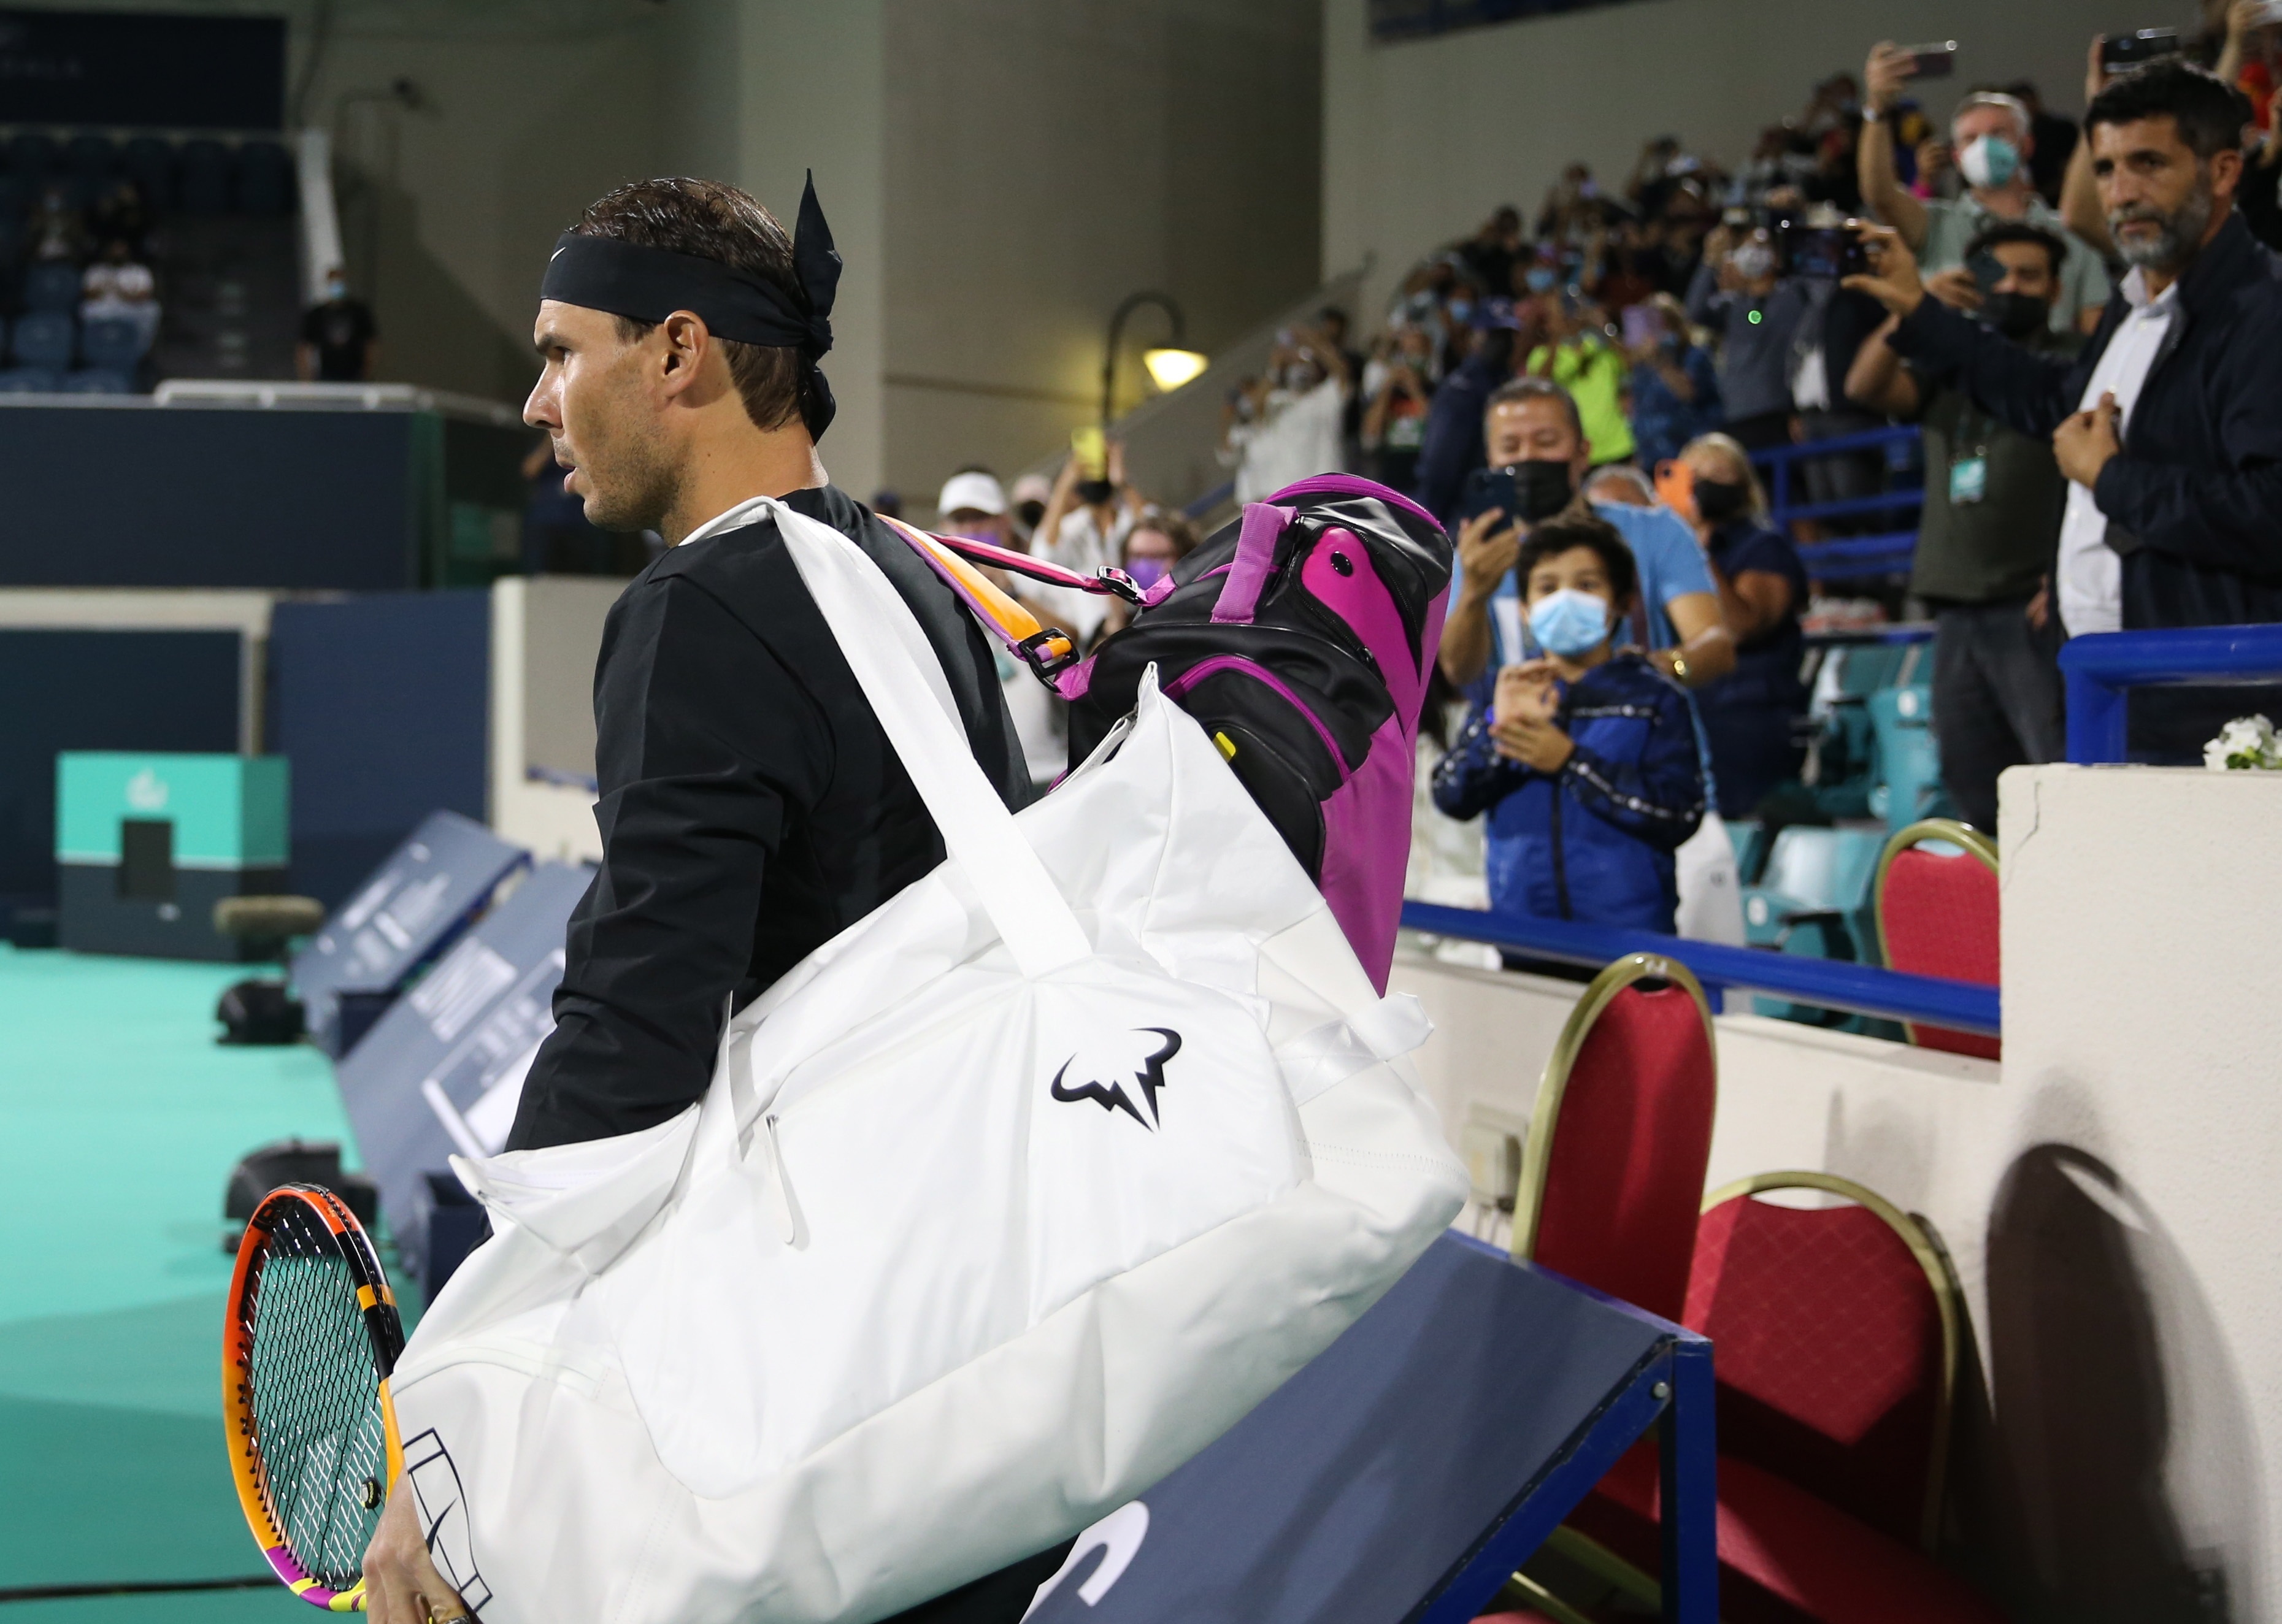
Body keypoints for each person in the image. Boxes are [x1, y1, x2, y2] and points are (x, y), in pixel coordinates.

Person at [358, 174, 1052, 1624]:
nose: (539, 401)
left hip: (829, 1397)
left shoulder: (700, 611)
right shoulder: (904, 574)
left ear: (676, 353)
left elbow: (630, 1043)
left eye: (559, 351)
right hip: (985, 1356)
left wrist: (463, 1414)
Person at [1844, 59, 2282, 760]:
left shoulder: (2263, 311)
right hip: (2109, 689)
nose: (2122, 193)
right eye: (2106, 169)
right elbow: (2055, 400)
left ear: (2224, 171)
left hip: (2212, 709)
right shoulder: (2139, 303)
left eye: (2148, 164)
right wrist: (1920, 311)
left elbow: (2269, 509)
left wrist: (2111, 481)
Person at [1845, 222, 2079, 831]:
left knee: (2060, 781)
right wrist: (1913, 312)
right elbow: (1863, 384)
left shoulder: (2071, 364)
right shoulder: (1948, 357)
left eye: (2030, 276)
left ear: (2057, 289)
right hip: (1955, 608)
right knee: (1974, 786)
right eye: (1997, 272)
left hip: (2029, 607)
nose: (2011, 286)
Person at [1431, 511, 1705, 935]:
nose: (1565, 598)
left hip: (1627, 945)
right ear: (1524, 609)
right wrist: (1497, 729)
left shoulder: (1654, 698)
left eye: (1587, 585)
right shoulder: (1502, 692)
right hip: (1523, 938)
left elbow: (1679, 813)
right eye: (1547, 587)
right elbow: (1451, 795)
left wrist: (1571, 762)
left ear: (1621, 601)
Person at [1437, 375, 1735, 695]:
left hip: (1637, 734)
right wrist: (1474, 593)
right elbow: (1460, 672)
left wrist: (1660, 669)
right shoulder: (1475, 557)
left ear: (1583, 453)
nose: (1528, 457)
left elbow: (1714, 644)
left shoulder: (1655, 531)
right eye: (1510, 447)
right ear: (1491, 461)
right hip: (1525, 737)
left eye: (1547, 442)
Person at [1859, 50, 2111, 335]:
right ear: (1957, 156)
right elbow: (1879, 193)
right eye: (1971, 138)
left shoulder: (2072, 233)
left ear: (2026, 146)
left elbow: (2096, 332)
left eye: (1998, 133)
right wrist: (1877, 108)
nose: (1984, 147)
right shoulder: (1936, 224)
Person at [1670, 433, 1810, 818]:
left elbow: (1741, 625)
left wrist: (1690, 543)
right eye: (1695, 473)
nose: (1706, 482)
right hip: (1691, 708)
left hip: (1750, 715)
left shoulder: (1765, 547)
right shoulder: (1663, 553)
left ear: (1744, 486)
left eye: (1720, 473)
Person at [1685, 216, 1807, 452]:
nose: (1753, 253)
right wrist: (1710, 262)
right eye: (1746, 248)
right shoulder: (1732, 306)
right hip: (1738, 417)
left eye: (1761, 246)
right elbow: (1695, 311)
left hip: (1781, 414)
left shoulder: (1793, 296)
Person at [1223, 323, 1350, 500]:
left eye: (1305, 363)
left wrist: (1312, 343)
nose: (1300, 368)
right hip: (1288, 494)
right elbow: (1256, 406)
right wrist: (1275, 367)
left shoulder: (1327, 397)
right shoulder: (1277, 402)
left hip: (1325, 492)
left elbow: (1341, 371)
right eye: (1295, 365)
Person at [1523, 291, 1636, 465]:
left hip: (1619, 447)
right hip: (1578, 453)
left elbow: (1631, 362)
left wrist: (1604, 327)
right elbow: (1539, 386)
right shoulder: (1542, 356)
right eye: (1554, 316)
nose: (1565, 319)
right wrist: (1557, 340)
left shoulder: (1601, 349)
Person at [1624, 291, 1721, 471]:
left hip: (1690, 455)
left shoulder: (1694, 355)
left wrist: (1660, 361)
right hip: (1652, 462)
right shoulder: (1642, 370)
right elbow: (1639, 415)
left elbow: (1689, 393)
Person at [1360, 323, 1435, 494]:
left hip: (1423, 479)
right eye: (1406, 351)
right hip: (1392, 478)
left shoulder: (1436, 390)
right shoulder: (1388, 394)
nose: (1411, 356)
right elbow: (1370, 432)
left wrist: (1414, 389)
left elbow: (1436, 425)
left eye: (1416, 350)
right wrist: (1388, 386)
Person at [298, 266, 379, 381]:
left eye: (340, 283)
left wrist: (367, 372)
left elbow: (371, 344)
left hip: (355, 376)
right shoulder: (317, 314)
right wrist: (306, 378)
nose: (337, 287)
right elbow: (304, 347)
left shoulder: (359, 312)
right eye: (334, 283)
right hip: (326, 377)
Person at [80, 237, 159, 347]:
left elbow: (145, 295)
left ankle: (141, 349)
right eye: (114, 250)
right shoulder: (96, 270)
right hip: (105, 308)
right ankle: (93, 348)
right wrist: (105, 288)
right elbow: (88, 295)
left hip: (129, 308)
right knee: (86, 309)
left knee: (152, 309)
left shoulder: (139, 270)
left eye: (121, 250)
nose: (117, 253)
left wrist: (124, 295)